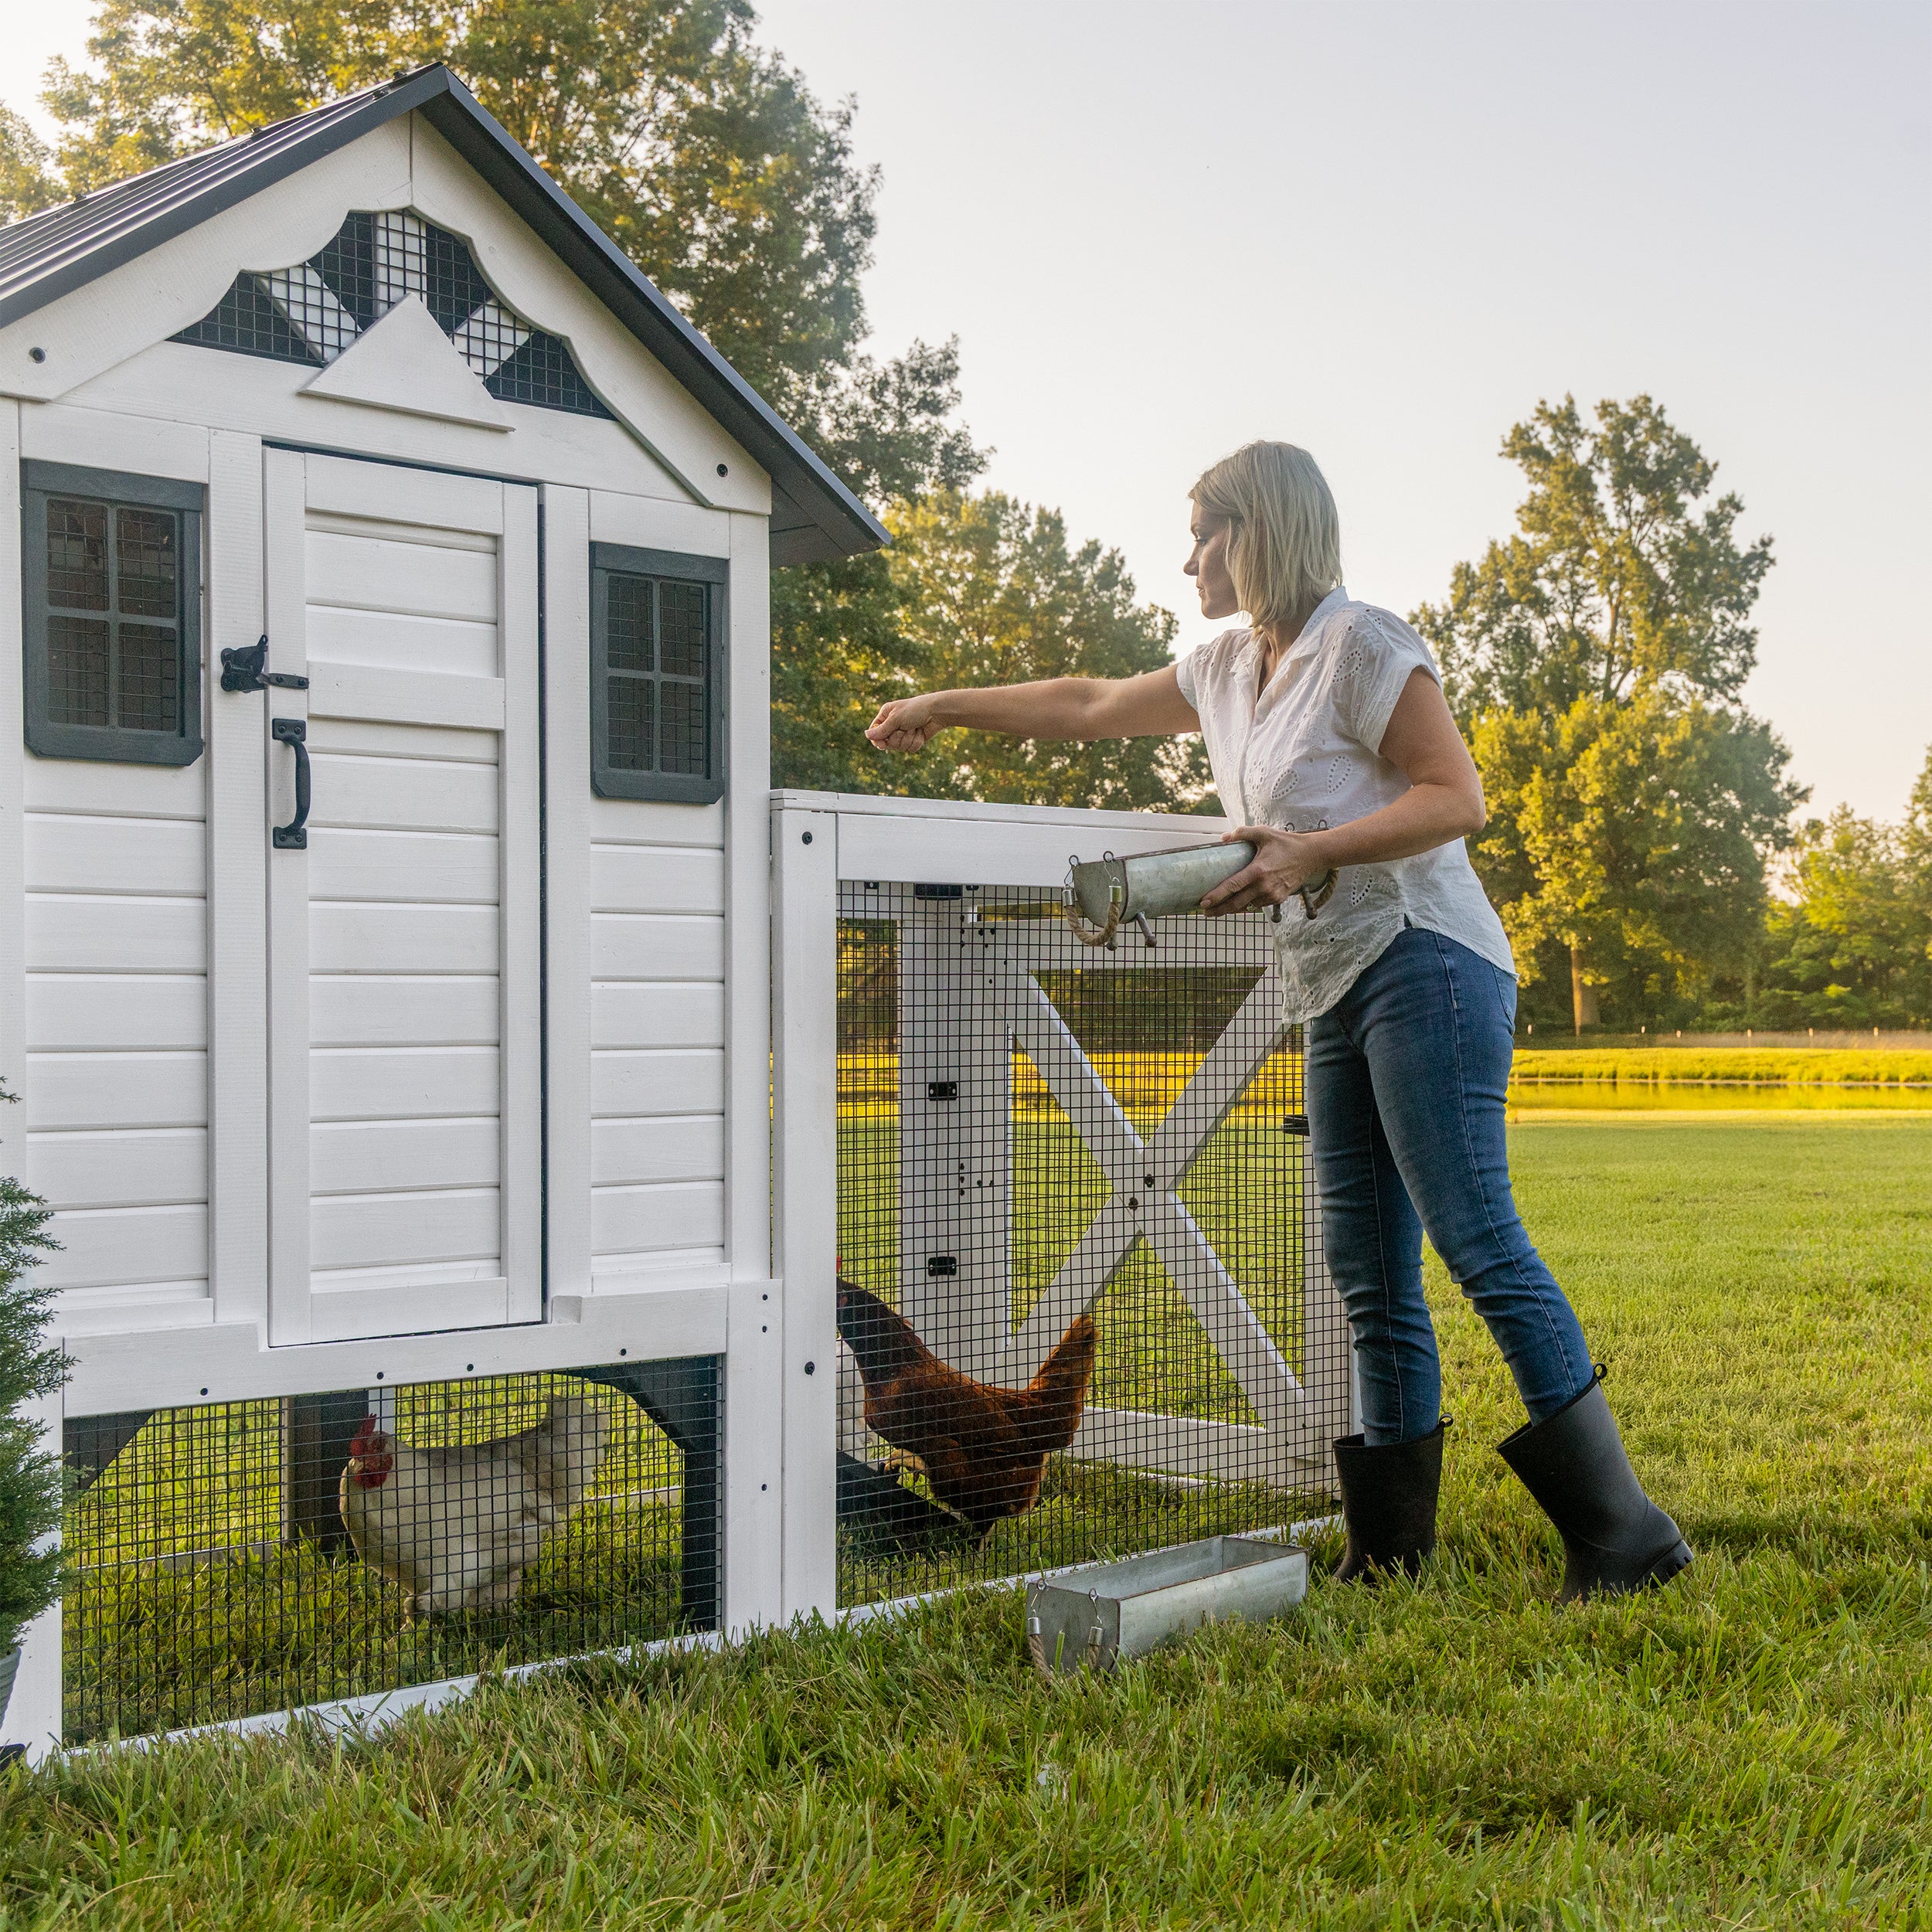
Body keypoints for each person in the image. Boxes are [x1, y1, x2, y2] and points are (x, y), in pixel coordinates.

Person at [864, 440, 1691, 1602]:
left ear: (1267, 531)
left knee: (1476, 1240)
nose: (1189, 554)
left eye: (1208, 529)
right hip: (1334, 977)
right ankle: (1391, 1549)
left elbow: (1457, 797)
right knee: (1366, 1266)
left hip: (1427, 960)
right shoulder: (1225, 668)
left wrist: (1311, 850)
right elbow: (1091, 702)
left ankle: (1626, 1534)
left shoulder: (1363, 644)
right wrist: (946, 706)